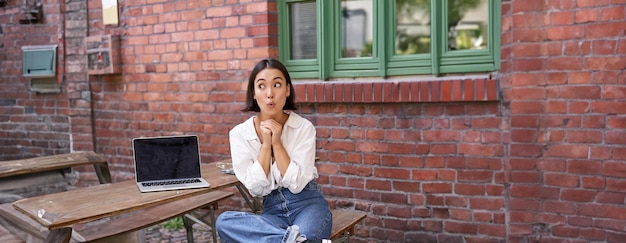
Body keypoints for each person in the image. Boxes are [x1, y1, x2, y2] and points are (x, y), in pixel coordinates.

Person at [216, 59, 332, 243]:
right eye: (262, 86)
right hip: (272, 214)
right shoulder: (239, 134)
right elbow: (254, 188)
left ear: (287, 90)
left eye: (277, 85)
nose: (270, 94)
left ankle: (291, 240)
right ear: (254, 93)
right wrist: (265, 145)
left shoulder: (303, 128)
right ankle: (292, 240)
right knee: (225, 222)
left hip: (308, 205)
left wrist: (277, 143)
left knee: (307, 235)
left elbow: (297, 183)